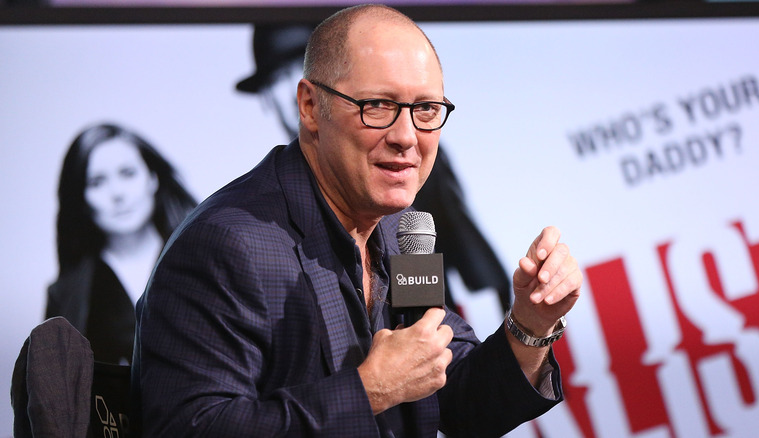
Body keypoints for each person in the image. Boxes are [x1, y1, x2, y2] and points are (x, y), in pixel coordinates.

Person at [133, 4, 582, 437]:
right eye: (378, 106)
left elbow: (459, 401)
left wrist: (530, 325)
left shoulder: (404, 234)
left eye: (425, 109)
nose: (406, 137)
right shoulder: (225, 244)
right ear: (310, 106)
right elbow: (185, 428)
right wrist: (368, 390)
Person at [236, 23, 512, 317]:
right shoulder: (246, 225)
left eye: (301, 67)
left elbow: (458, 251)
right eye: (278, 77)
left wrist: (518, 327)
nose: (291, 86)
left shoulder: (401, 153)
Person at [47, 122, 197, 364]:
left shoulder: (205, 256)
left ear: (152, 178)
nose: (117, 193)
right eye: (96, 182)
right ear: (81, 198)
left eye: (127, 173)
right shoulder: (66, 296)